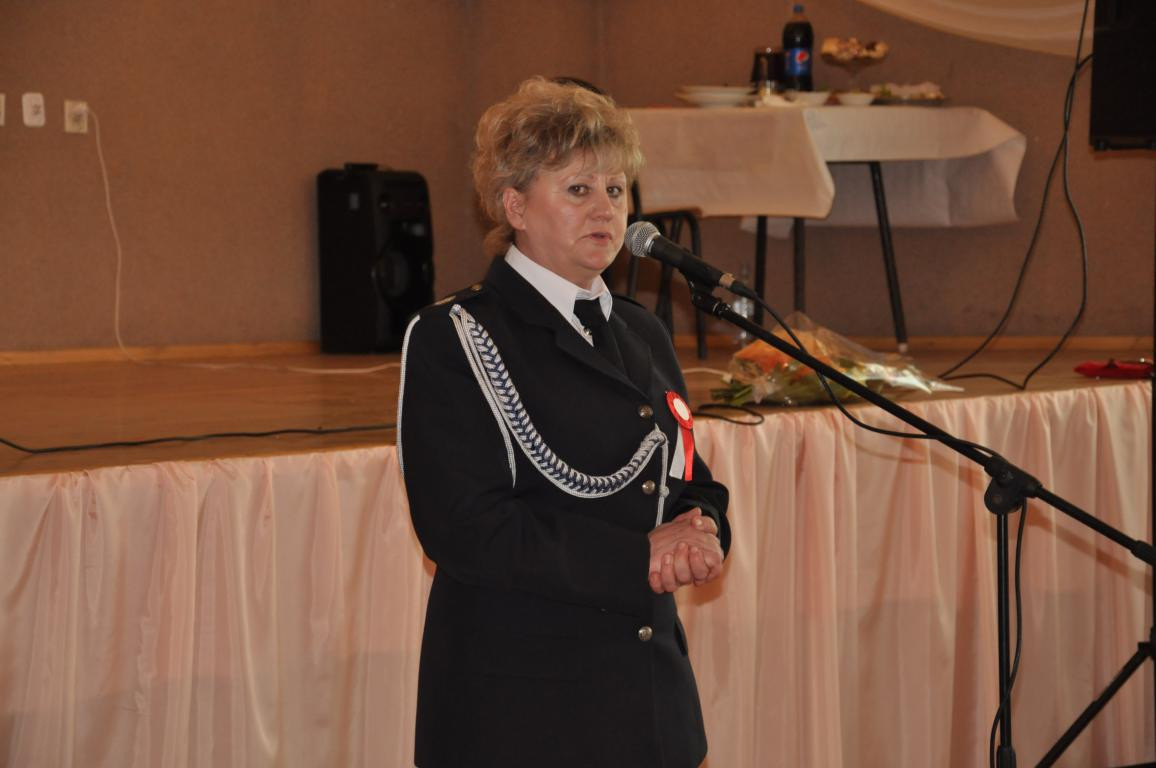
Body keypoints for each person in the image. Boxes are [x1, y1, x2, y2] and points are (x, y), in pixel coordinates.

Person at [397, 76, 731, 768]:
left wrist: (702, 528)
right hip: (524, 716)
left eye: (616, 188)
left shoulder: (642, 331)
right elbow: (466, 527)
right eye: (578, 189)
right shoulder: (457, 335)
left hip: (650, 710)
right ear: (514, 205)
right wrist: (639, 555)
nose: (606, 208)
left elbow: (685, 477)